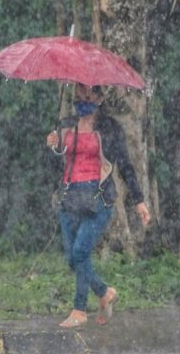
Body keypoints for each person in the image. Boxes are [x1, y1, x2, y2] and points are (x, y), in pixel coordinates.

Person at [45, 83, 151, 328]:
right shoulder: (65, 125)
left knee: (81, 252)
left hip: (98, 200)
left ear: (101, 97)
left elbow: (124, 163)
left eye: (90, 93)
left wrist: (139, 200)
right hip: (69, 199)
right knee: (73, 259)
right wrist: (52, 146)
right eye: (79, 92)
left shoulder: (109, 128)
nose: (83, 97)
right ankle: (104, 292)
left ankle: (79, 310)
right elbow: (53, 168)